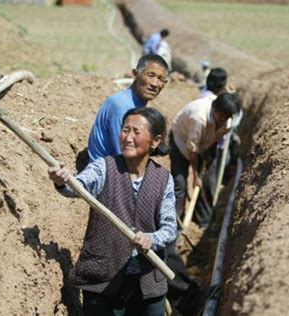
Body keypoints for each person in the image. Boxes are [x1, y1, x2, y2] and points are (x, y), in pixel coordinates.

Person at [49, 107, 177, 315]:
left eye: (137, 132)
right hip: (103, 281)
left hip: (147, 283)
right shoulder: (103, 168)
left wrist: (151, 239)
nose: (128, 137)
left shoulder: (163, 178)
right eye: (125, 130)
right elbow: (77, 186)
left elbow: (170, 228)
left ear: (155, 141)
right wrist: (62, 181)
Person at [169, 92, 241, 224]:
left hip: (203, 142)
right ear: (215, 109)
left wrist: (211, 147)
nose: (224, 119)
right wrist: (196, 176)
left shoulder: (225, 116)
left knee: (208, 182)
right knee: (180, 184)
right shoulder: (199, 118)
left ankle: (202, 219)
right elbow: (192, 149)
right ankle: (176, 223)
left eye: (227, 117)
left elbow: (214, 136)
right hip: (181, 141)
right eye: (222, 116)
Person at [87, 54, 169, 161]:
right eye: (151, 75)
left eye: (160, 79)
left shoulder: (137, 104)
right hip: (106, 172)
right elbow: (124, 153)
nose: (155, 83)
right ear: (135, 74)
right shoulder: (122, 106)